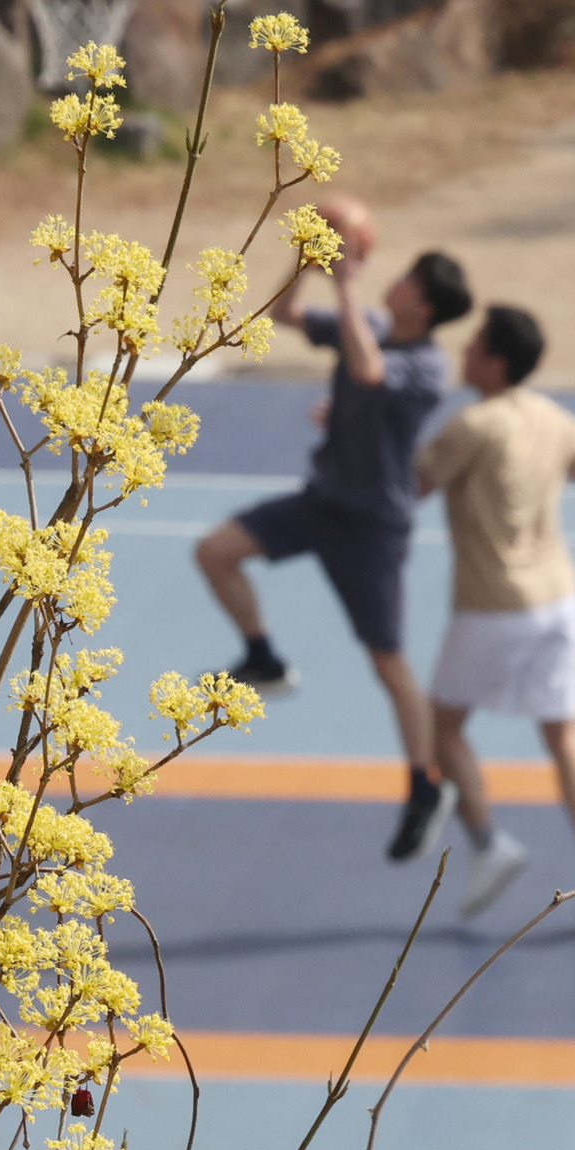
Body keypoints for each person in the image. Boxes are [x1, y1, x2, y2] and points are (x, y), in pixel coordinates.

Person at [195, 194, 473, 862]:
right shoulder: (369, 321)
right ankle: (262, 656)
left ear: (425, 306)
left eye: (410, 279)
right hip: (322, 502)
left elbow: (370, 370)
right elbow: (286, 314)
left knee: (388, 663)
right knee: (216, 551)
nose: (394, 280)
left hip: (373, 526)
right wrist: (306, 257)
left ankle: (423, 785)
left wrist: (346, 284)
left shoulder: (428, 366)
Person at [417, 304, 575, 919]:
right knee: (565, 734)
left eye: (474, 345)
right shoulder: (559, 420)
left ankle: (489, 844)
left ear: (496, 361)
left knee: (441, 728)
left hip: (490, 606)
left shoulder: (471, 426)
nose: (464, 353)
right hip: (559, 603)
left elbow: (409, 486)